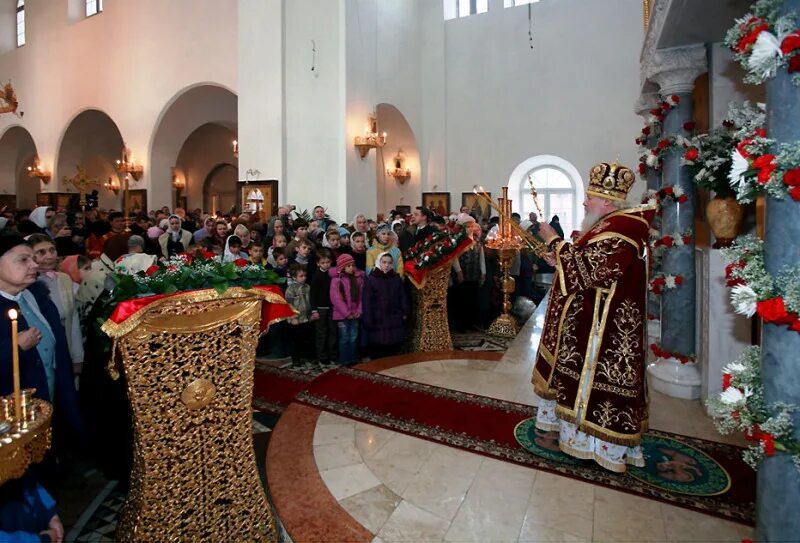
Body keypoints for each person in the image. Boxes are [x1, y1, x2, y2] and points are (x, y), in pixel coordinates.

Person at [531, 161, 655, 473]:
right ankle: (577, 437)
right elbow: (584, 264)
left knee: (596, 383)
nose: (585, 201)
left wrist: (552, 240)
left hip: (605, 330)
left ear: (608, 202)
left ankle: (596, 446)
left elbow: (586, 272)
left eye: (590, 197)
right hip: (593, 322)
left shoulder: (622, 230)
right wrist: (558, 256)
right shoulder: (607, 226)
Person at [28, 234, 84, 377]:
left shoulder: (64, 279)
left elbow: (73, 320)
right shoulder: (25, 283)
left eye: (52, 250)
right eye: (41, 252)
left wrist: (77, 356)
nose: (49, 256)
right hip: (36, 352)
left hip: (63, 347)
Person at [363, 252, 408, 359]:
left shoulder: (396, 279)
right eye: (384, 262)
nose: (386, 265)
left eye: (389, 263)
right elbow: (367, 301)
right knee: (379, 348)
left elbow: (402, 296)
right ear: (378, 262)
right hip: (377, 318)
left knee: (393, 348)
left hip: (394, 316)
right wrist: (368, 318)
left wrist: (404, 311)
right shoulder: (371, 279)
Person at [330, 253, 364, 366]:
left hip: (355, 314)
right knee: (344, 338)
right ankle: (345, 360)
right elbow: (336, 299)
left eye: (353, 265)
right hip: (342, 315)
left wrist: (359, 311)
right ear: (342, 267)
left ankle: (353, 358)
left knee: (354, 337)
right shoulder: (336, 281)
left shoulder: (358, 279)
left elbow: (360, 297)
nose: (352, 268)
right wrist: (347, 313)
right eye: (349, 266)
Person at [284, 263, 317, 364]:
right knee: (296, 340)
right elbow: (288, 305)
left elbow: (312, 301)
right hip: (296, 319)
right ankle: (296, 358)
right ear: (294, 277)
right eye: (301, 276)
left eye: (305, 276)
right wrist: (293, 318)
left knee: (308, 339)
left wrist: (313, 313)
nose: (304, 278)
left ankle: (309, 356)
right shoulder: (291, 289)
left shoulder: (308, 287)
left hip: (307, 318)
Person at [310, 249, 337, 365]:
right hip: (320, 309)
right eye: (323, 262)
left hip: (332, 307)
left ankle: (333, 354)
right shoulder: (317, 276)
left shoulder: (333, 274)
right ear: (318, 263)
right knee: (321, 333)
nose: (326, 265)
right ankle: (322, 355)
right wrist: (314, 310)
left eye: (328, 262)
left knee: (333, 332)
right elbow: (313, 294)